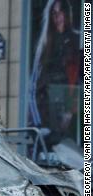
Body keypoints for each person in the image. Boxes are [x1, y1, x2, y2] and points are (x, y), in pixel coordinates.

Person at [28, 0, 80, 146]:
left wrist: (70, 111)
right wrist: (39, 125)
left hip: (71, 117)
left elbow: (80, 81)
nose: (58, 18)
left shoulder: (77, 41)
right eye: (54, 14)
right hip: (46, 118)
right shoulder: (44, 46)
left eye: (61, 12)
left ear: (67, 13)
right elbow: (32, 88)